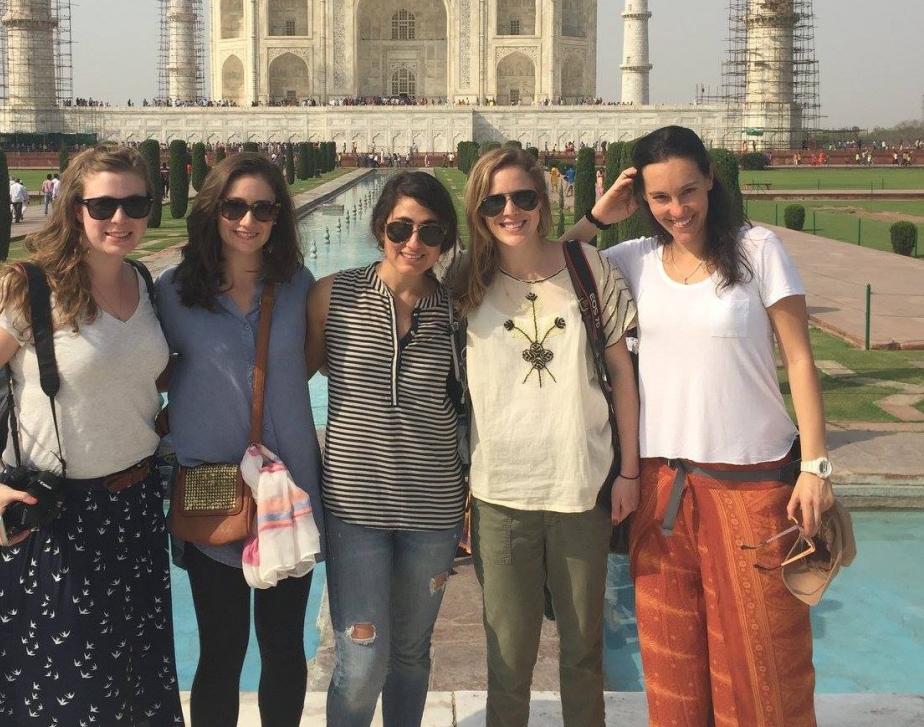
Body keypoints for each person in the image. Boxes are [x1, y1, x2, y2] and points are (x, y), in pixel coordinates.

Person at [566, 125, 833, 727]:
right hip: (662, 490)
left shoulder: (756, 248)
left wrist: (815, 467)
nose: (676, 210)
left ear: (711, 179)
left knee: (766, 669)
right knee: (673, 669)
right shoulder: (634, 261)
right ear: (643, 199)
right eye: (660, 198)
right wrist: (599, 216)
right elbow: (551, 268)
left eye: (688, 191)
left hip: (754, 487)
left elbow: (799, 358)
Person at [0, 145, 184, 727]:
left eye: (134, 204)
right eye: (102, 205)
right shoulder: (27, 288)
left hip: (132, 515)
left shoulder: (144, 283)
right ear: (74, 208)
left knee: (132, 689)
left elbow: (137, 376)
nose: (119, 219)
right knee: (67, 698)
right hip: (54, 520)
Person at [450, 147, 639, 727]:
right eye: (495, 201)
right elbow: (394, 273)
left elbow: (622, 377)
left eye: (523, 197)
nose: (511, 210)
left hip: (579, 489)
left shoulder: (588, 268)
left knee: (583, 655)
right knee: (508, 660)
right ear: (478, 210)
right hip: (500, 496)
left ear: (543, 199)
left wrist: (629, 472)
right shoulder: (461, 278)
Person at [157, 152, 321, 727]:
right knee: (222, 652)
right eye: (234, 207)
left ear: (278, 217)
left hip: (290, 496)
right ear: (213, 210)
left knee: (282, 649)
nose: (247, 221)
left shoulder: (300, 287)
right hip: (212, 491)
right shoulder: (174, 293)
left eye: (262, 209)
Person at [306, 171, 465, 727]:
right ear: (380, 228)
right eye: (401, 227)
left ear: (446, 240)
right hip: (355, 511)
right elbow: (291, 379)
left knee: (410, 656)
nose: (413, 243)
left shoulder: (457, 310)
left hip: (433, 511)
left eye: (431, 231)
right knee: (362, 659)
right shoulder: (333, 295)